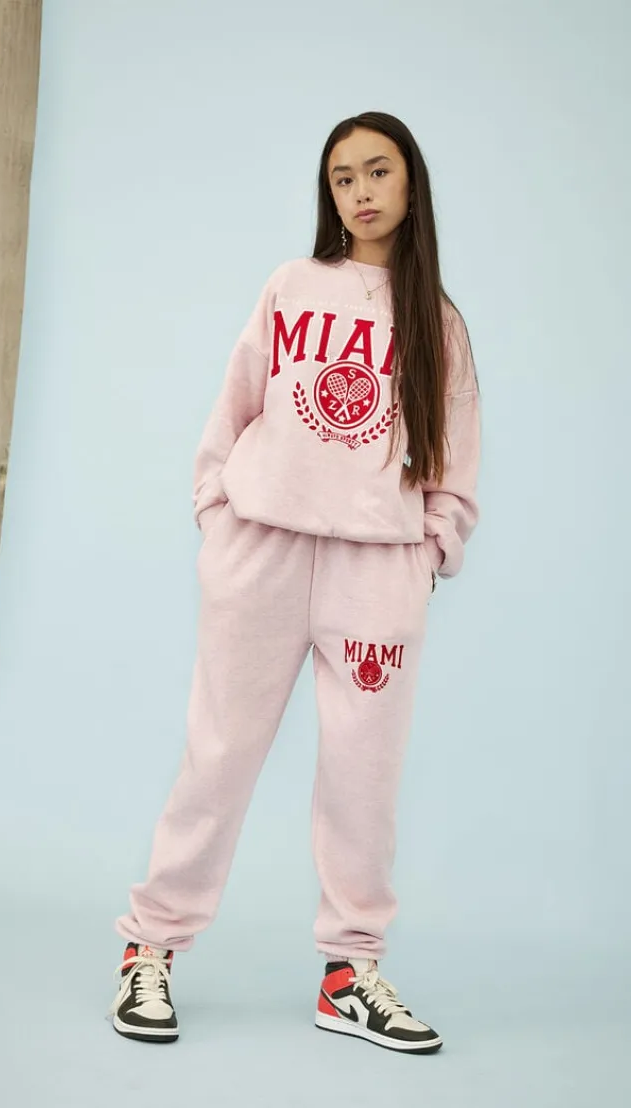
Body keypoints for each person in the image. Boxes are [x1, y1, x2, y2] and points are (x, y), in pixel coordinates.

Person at [109, 110, 480, 1055]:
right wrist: (217, 512)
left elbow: (455, 460)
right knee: (219, 756)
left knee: (364, 778)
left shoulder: (438, 322)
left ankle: (350, 975)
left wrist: (428, 555)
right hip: (262, 553)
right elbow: (235, 403)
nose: (360, 191)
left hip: (375, 572)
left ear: (411, 184)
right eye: (342, 178)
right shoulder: (291, 284)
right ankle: (150, 946)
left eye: (377, 171)